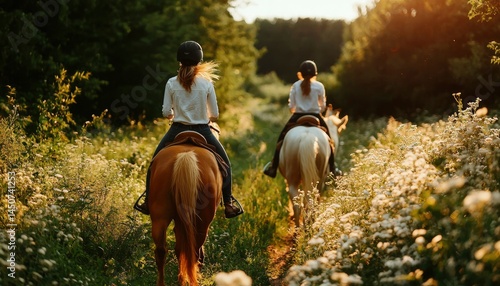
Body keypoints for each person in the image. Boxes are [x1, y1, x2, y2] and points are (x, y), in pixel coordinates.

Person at [135, 40, 243, 218]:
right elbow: (214, 114)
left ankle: (147, 200)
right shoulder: (207, 83)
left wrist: (173, 115)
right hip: (203, 131)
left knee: (154, 163)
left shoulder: (171, 82)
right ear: (199, 61)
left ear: (179, 61)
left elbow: (165, 111)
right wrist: (202, 115)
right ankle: (229, 203)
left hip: (177, 130)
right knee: (226, 164)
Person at [263, 60, 334, 178]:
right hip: (316, 115)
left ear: (300, 73)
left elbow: (292, 107)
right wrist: (317, 110)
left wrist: (297, 109)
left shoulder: (295, 85)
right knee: (330, 142)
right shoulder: (320, 86)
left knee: (281, 139)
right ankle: (333, 168)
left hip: (298, 116)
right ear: (315, 74)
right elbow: (322, 106)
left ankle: (273, 167)